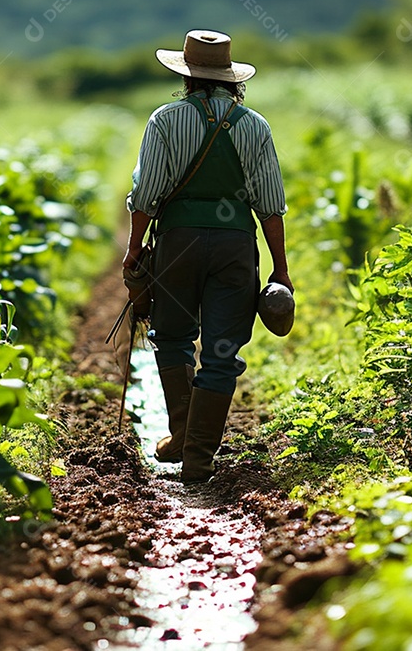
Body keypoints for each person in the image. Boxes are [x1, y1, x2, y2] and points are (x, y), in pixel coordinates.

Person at [122, 29, 292, 484]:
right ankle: (197, 457)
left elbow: (146, 194)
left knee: (173, 336)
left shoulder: (164, 119)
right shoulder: (255, 126)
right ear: (232, 79)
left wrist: (135, 248)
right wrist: (280, 268)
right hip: (235, 246)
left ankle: (181, 434)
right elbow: (270, 206)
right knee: (221, 351)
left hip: (177, 243)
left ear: (188, 77)